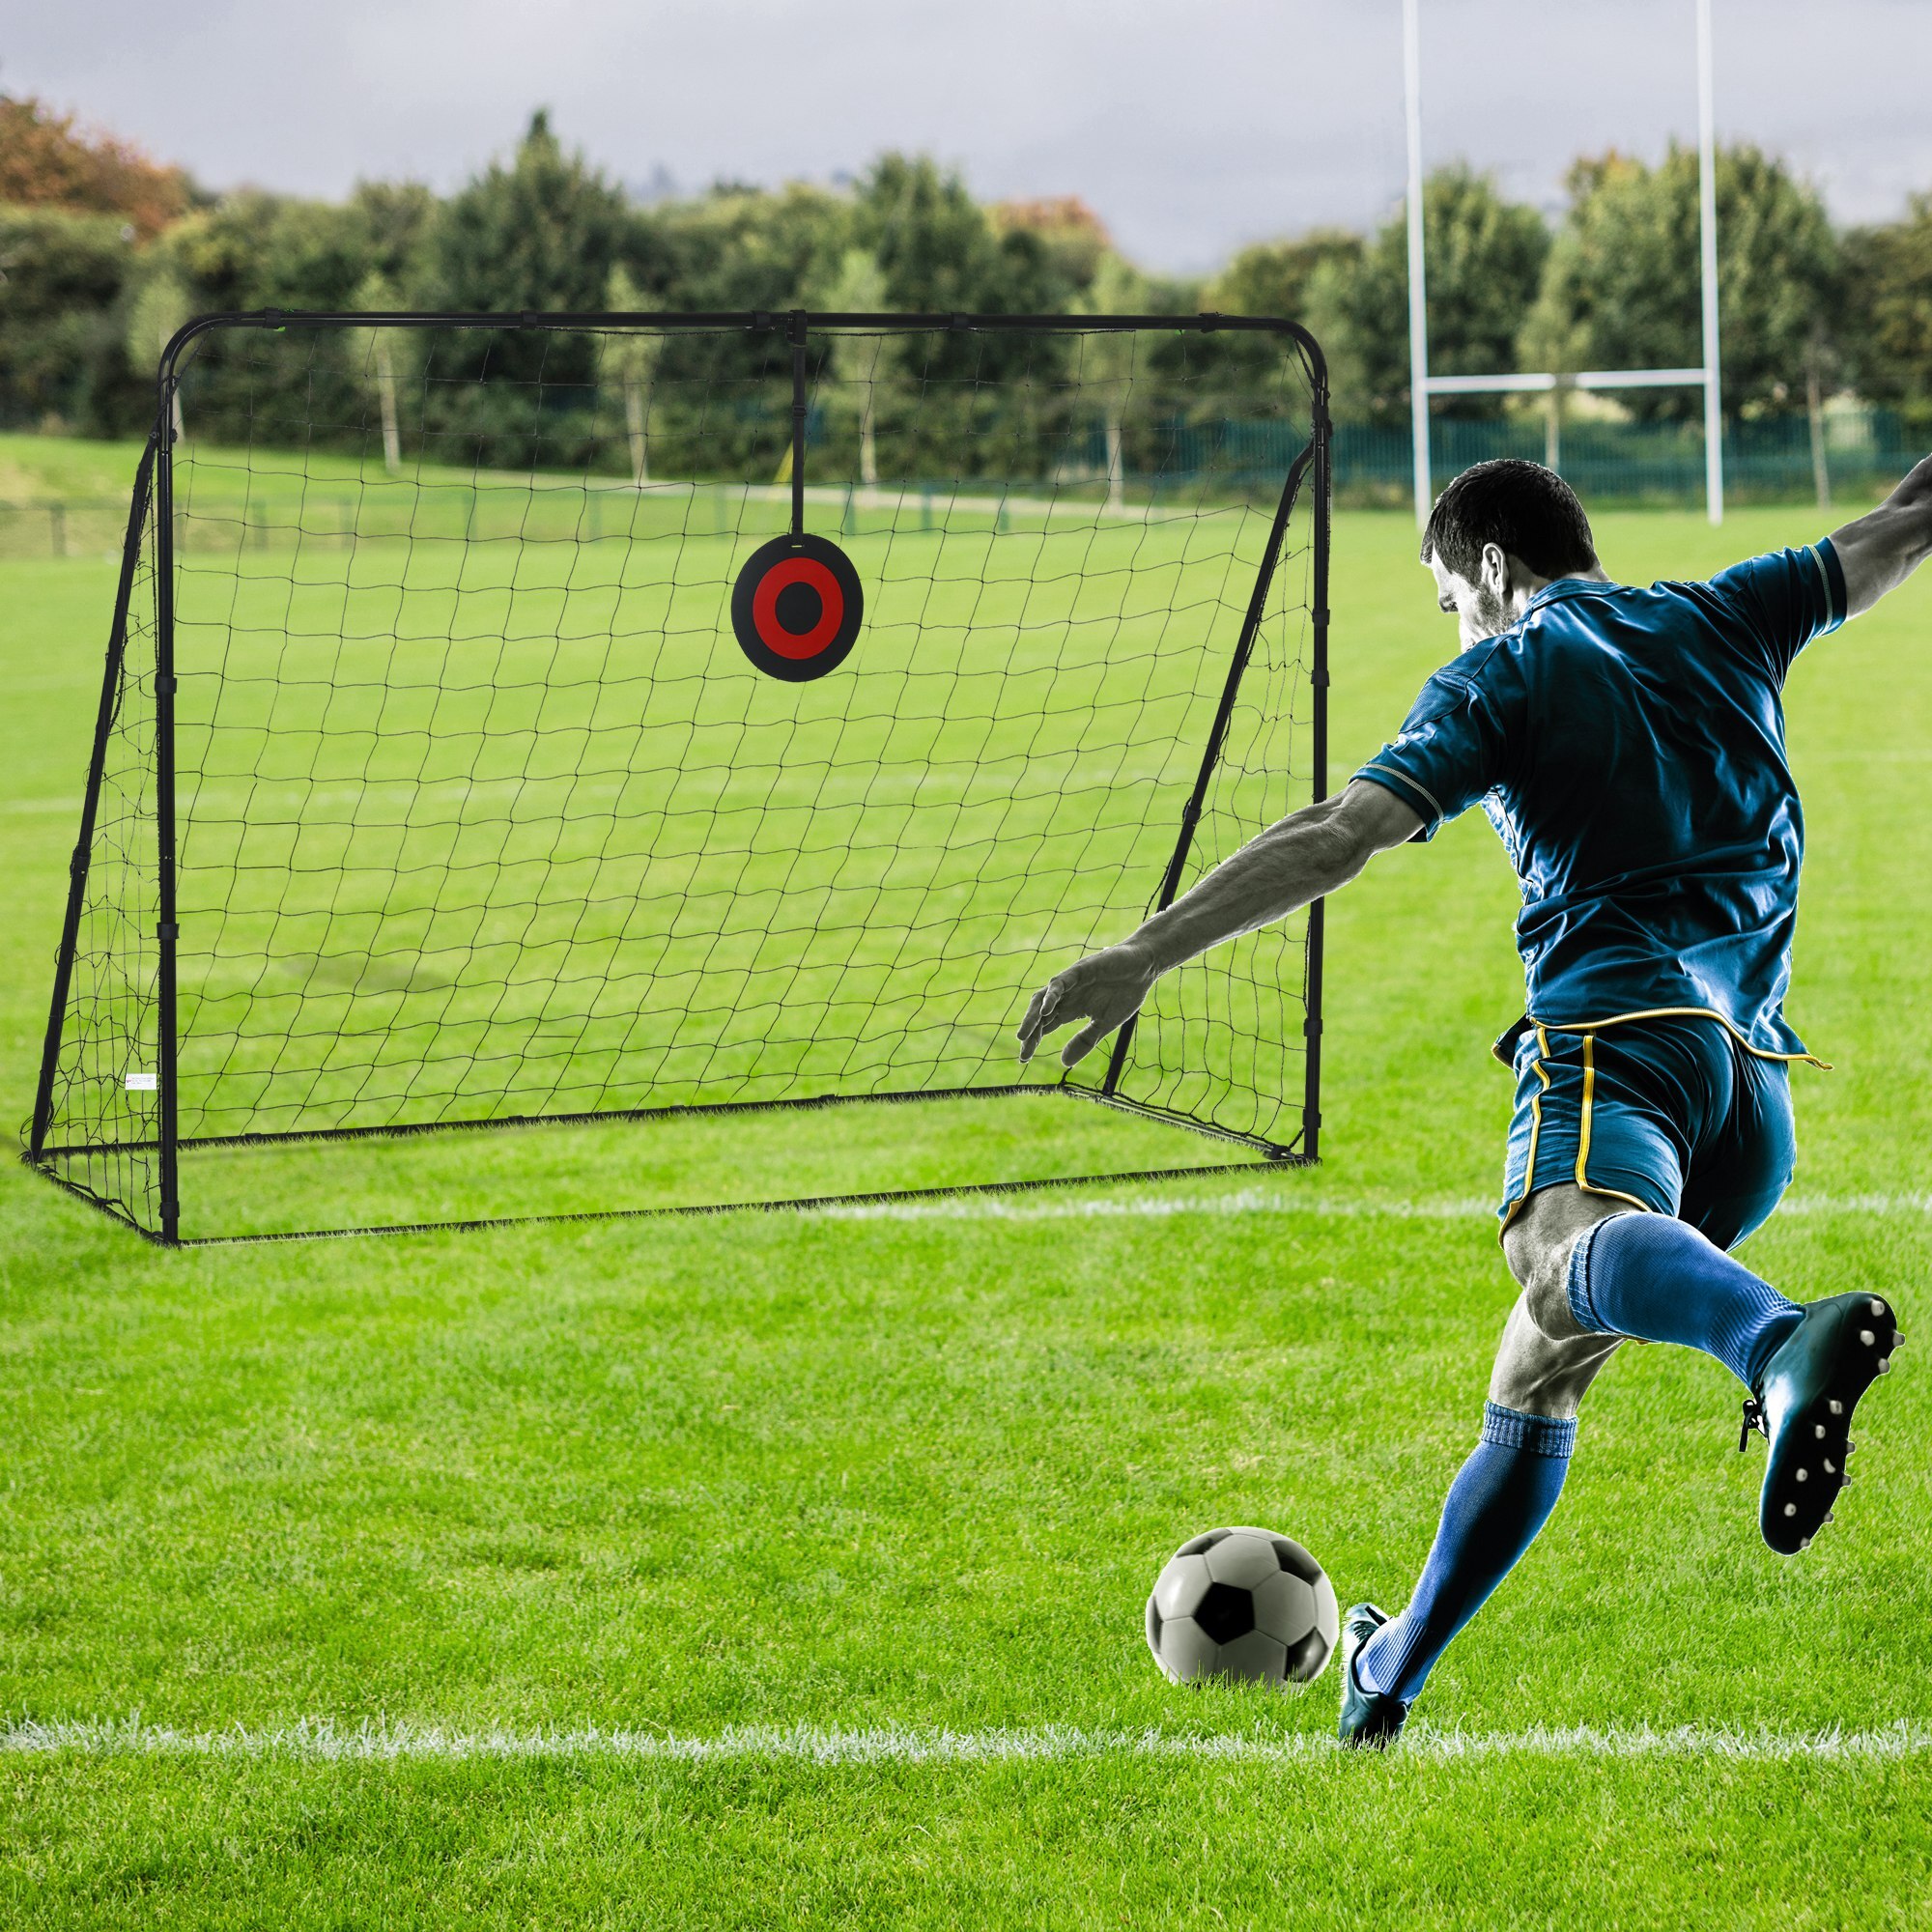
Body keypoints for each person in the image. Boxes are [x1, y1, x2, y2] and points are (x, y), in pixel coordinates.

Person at [1016, 456, 1928, 1747]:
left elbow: (1338, 834)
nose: (1456, 624)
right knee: (1538, 1369)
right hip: (1752, 1096)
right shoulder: (1731, 610)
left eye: (1451, 598)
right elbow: (1903, 526)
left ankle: (1777, 1344)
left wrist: (1145, 953)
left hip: (1619, 1049)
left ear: (1492, 568)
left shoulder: (1502, 673)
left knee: (1554, 1255)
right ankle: (1386, 1673)